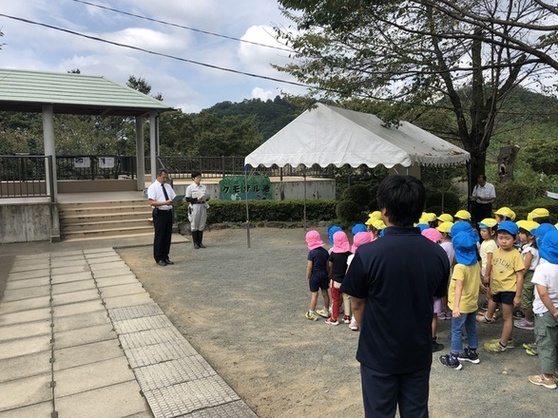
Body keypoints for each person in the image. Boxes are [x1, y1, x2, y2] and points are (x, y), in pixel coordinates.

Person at [341, 175, 450, 418]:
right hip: (417, 349)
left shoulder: (367, 254)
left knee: (379, 413)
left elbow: (357, 302)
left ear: (384, 211)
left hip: (378, 351)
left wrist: (373, 329)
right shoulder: (437, 254)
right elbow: (435, 296)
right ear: (419, 211)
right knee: (416, 412)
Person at [439, 223, 481, 370]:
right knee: (471, 328)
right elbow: (478, 282)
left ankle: (453, 357)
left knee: (456, 330)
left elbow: (458, 287)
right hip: (472, 303)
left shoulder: (459, 267)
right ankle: (472, 352)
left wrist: (455, 307)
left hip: (461, 305)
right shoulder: (475, 264)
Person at [483, 221, 525, 353]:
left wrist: (518, 296)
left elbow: (520, 276)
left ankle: (502, 344)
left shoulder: (516, 255)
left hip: (509, 290)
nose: (503, 241)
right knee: (504, 315)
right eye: (501, 238)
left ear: (515, 238)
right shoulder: (495, 252)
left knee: (507, 317)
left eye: (507, 238)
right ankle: (508, 339)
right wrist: (490, 287)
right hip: (498, 288)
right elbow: (493, 270)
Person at [528, 229, 558, 389]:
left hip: (545, 311)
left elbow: (542, 292)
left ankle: (547, 377)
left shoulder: (543, 268)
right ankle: (556, 371)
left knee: (546, 342)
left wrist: (553, 310)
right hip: (557, 310)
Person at [514, 220, 540, 331]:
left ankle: (529, 320)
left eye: (522, 233)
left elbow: (525, 266)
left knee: (525, 298)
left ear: (531, 236)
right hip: (530, 274)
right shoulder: (528, 247)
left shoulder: (530, 250)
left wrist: (519, 277)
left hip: (528, 275)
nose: (519, 235)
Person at [147, 168, 176, 267]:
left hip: (168, 212)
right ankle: (158, 257)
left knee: (167, 236)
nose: (165, 179)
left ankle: (165, 256)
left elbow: (173, 198)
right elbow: (151, 202)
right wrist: (164, 203)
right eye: (163, 177)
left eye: (166, 177)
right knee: (160, 236)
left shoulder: (167, 186)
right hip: (159, 213)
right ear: (158, 176)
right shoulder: (153, 187)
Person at [346, 231, 373, 331]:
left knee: (356, 301)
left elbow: (348, 272)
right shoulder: (372, 257)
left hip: (357, 284)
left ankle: (354, 320)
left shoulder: (351, 257)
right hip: (369, 285)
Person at [326, 230, 352, 325]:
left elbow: (330, 265)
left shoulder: (333, 254)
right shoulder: (349, 254)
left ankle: (334, 318)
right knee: (347, 297)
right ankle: (347, 317)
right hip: (345, 279)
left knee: (335, 299)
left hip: (335, 280)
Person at [304, 230, 330, 321]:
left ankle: (311, 312)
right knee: (325, 293)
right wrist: (328, 274)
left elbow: (309, 266)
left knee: (314, 294)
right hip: (323, 274)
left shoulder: (311, 253)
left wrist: (308, 275)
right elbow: (327, 265)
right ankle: (326, 310)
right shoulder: (325, 252)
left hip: (315, 275)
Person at [185, 171, 210, 249]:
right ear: (193, 178)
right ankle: (195, 242)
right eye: (197, 177)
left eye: (200, 177)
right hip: (195, 206)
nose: (199, 179)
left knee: (201, 223)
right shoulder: (190, 187)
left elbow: (207, 196)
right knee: (195, 223)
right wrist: (196, 199)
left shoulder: (204, 187)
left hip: (203, 205)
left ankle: (200, 242)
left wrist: (206, 197)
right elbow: (187, 198)